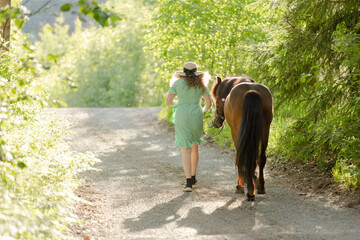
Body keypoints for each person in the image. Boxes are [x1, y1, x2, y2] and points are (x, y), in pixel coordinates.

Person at [166, 62, 212, 192]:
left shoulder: (177, 84)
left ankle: (188, 183)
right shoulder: (201, 85)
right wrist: (201, 110)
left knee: (185, 149)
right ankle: (193, 177)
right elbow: (208, 104)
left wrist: (180, 103)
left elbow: (168, 102)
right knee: (194, 147)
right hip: (196, 115)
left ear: (183, 72)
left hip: (182, 115)